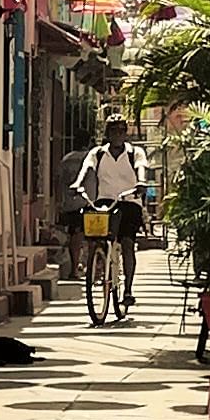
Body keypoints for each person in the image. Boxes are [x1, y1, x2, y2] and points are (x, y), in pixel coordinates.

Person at [74, 115, 155, 298]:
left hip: (129, 201)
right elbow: (86, 168)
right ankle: (98, 262)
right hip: (105, 201)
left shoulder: (136, 152)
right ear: (107, 133)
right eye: (113, 131)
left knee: (127, 243)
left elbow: (141, 167)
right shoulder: (98, 153)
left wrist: (141, 182)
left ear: (126, 133)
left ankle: (127, 289)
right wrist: (77, 184)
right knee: (96, 237)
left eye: (121, 131)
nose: (118, 134)